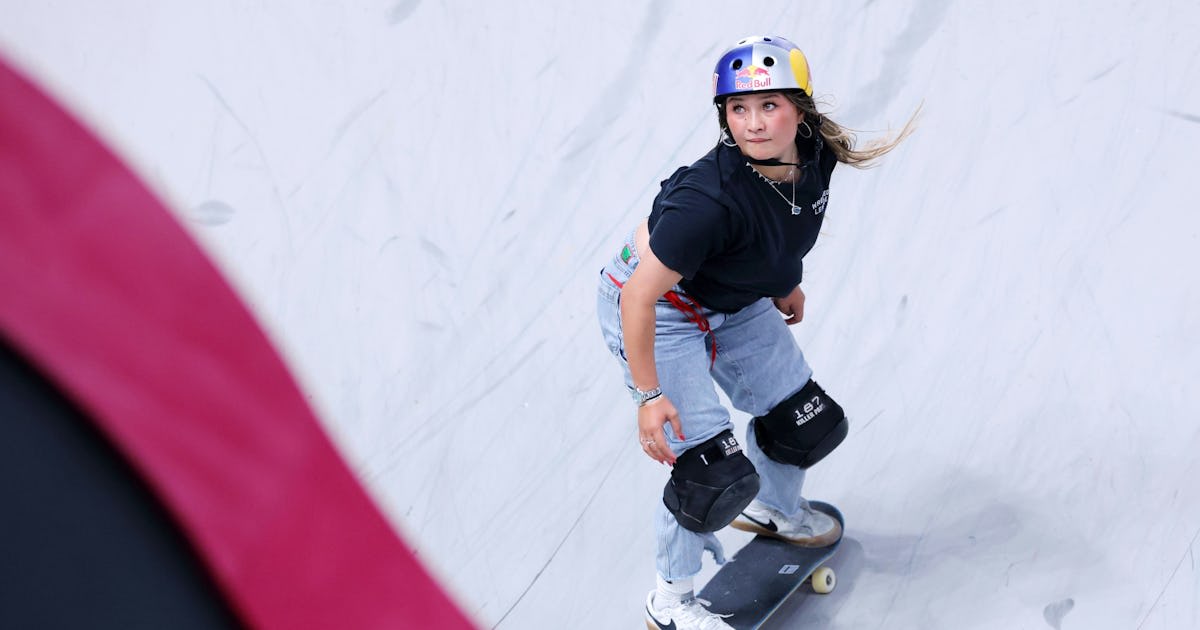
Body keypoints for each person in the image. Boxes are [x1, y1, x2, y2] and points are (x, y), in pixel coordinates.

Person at [595, 35, 916, 629]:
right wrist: (648, 396)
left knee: (805, 420)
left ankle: (773, 510)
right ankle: (670, 600)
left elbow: (786, 224)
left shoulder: (814, 154)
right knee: (709, 470)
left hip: (732, 297)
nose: (754, 123)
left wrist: (782, 280)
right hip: (662, 309)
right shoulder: (707, 200)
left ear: (800, 109)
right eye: (738, 109)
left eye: (769, 105)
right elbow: (639, 296)